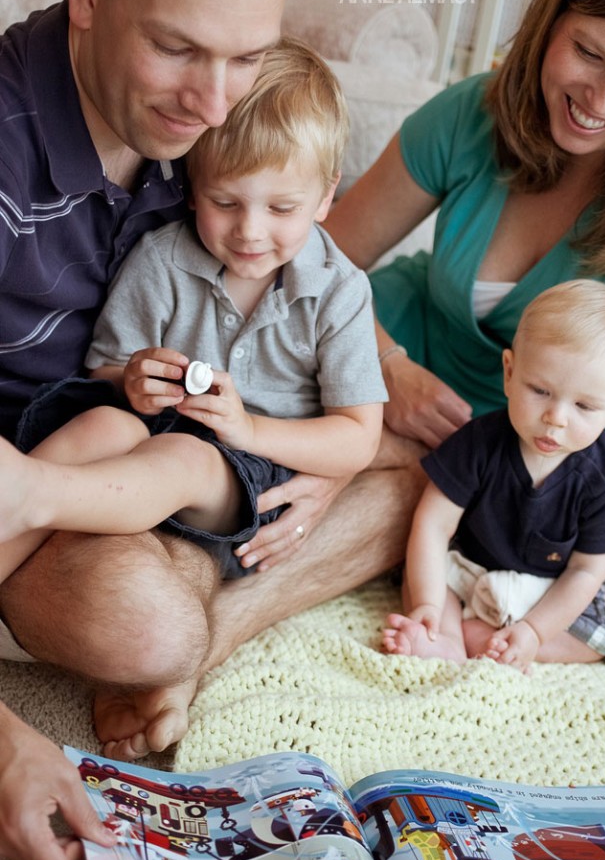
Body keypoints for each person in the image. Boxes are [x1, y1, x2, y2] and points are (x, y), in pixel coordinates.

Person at [0, 0, 297, 860]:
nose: (212, 103)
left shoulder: (213, 127)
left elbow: (307, 268)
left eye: (244, 57)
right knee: (145, 618)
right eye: (175, 49)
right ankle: (182, 644)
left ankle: (190, 650)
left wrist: (375, 398)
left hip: (152, 457)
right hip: (27, 485)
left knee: (415, 469)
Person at [323, 0, 605, 711]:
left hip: (532, 476)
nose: (602, 100)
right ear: (551, 20)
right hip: (401, 363)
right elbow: (322, 264)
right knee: (307, 461)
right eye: (588, 52)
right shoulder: (467, 117)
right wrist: (382, 365)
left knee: (384, 501)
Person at [0, 39, 385, 588]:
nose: (250, 231)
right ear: (191, 189)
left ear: (325, 197)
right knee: (104, 423)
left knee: (187, 457)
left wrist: (248, 429)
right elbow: (106, 371)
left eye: (281, 208)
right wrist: (132, 383)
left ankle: (35, 495)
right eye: (226, 202)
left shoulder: (339, 291)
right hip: (154, 434)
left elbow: (358, 438)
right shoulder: (162, 259)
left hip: (252, 476)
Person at [382, 281, 605, 672]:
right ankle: (447, 638)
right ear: (510, 372)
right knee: (421, 572)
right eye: (540, 390)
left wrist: (536, 631)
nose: (555, 417)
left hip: (550, 591)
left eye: (585, 406)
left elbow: (587, 570)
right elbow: (433, 524)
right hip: (474, 568)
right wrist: (426, 603)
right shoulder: (479, 443)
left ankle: (511, 643)